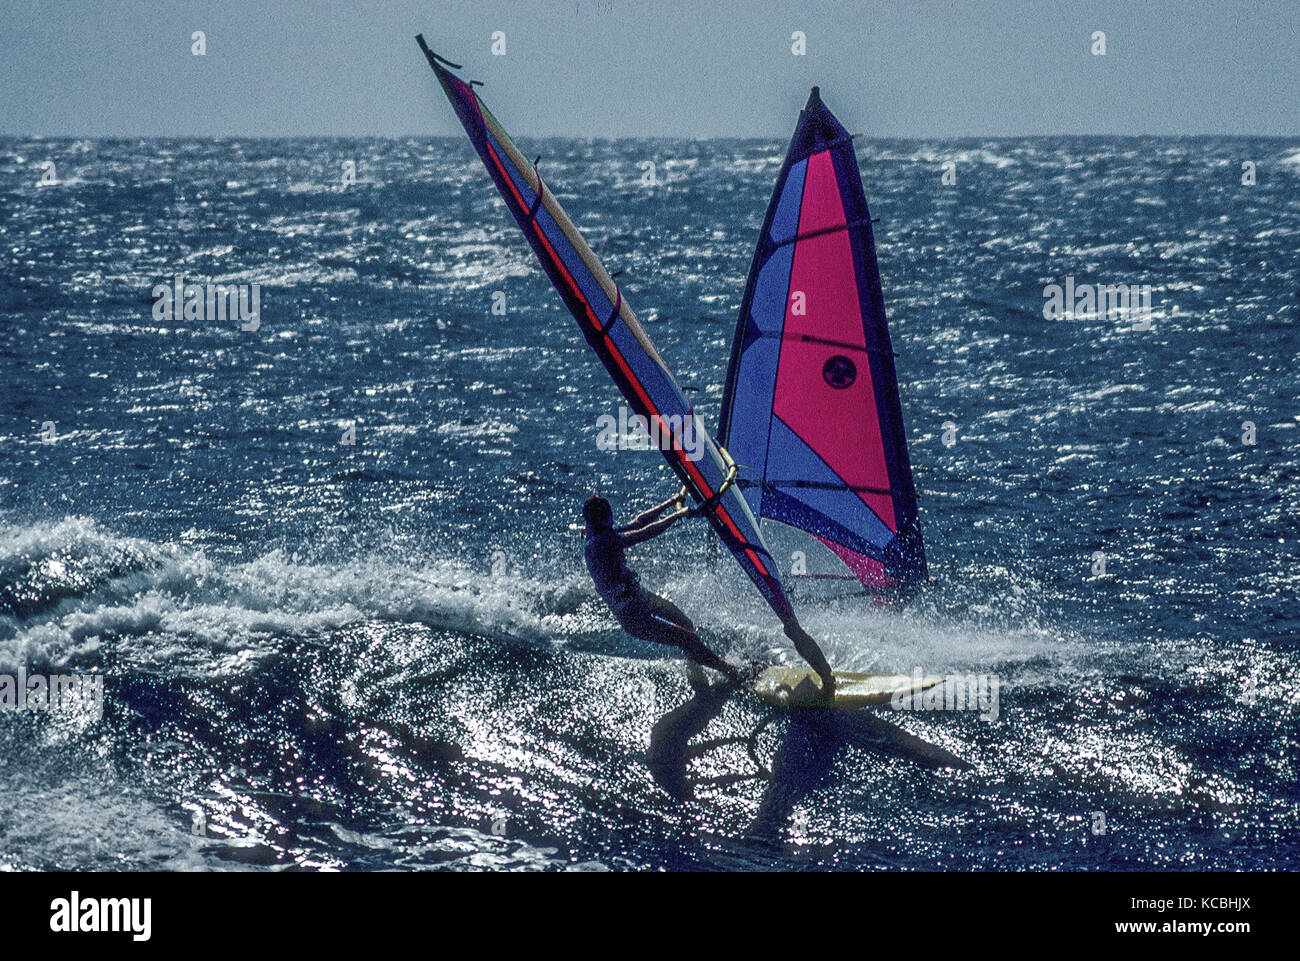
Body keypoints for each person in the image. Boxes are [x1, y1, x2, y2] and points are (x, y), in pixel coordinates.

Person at [582, 492, 835, 699]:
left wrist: (671, 502)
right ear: (603, 518)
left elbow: (638, 521)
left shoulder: (599, 531)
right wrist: (679, 515)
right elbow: (644, 533)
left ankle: (698, 667)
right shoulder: (601, 542)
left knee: (685, 624)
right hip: (632, 616)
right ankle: (732, 672)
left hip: (641, 599)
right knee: (686, 639)